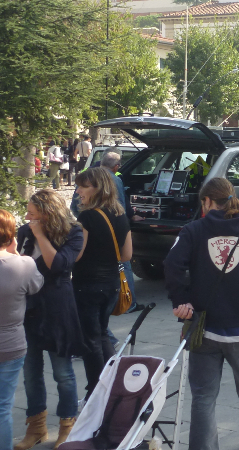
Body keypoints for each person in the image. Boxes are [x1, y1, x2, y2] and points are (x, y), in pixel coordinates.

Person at [165, 177, 239, 450]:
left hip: (204, 326)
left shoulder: (193, 231)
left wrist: (182, 299)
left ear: (207, 202)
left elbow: (171, 265)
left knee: (203, 396)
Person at [15, 190, 84, 450]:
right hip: (29, 308)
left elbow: (58, 265)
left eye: (32, 213)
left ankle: (67, 426)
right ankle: (37, 427)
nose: (27, 217)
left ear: (47, 213)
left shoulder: (73, 232)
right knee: (30, 372)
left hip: (57, 309)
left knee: (62, 372)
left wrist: (41, 236)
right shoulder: (24, 231)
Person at [72, 168, 133, 397]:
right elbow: (127, 255)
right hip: (112, 283)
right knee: (101, 334)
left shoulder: (87, 216)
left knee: (90, 340)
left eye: (83, 186)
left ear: (98, 188)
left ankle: (95, 391)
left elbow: (77, 254)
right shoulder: (119, 214)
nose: (78, 191)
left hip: (88, 284)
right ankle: (114, 383)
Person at [0, 209, 44, 450]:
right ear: (10, 237)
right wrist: (16, 255)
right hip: (11, 344)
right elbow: (36, 286)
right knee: (3, 407)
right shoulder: (24, 264)